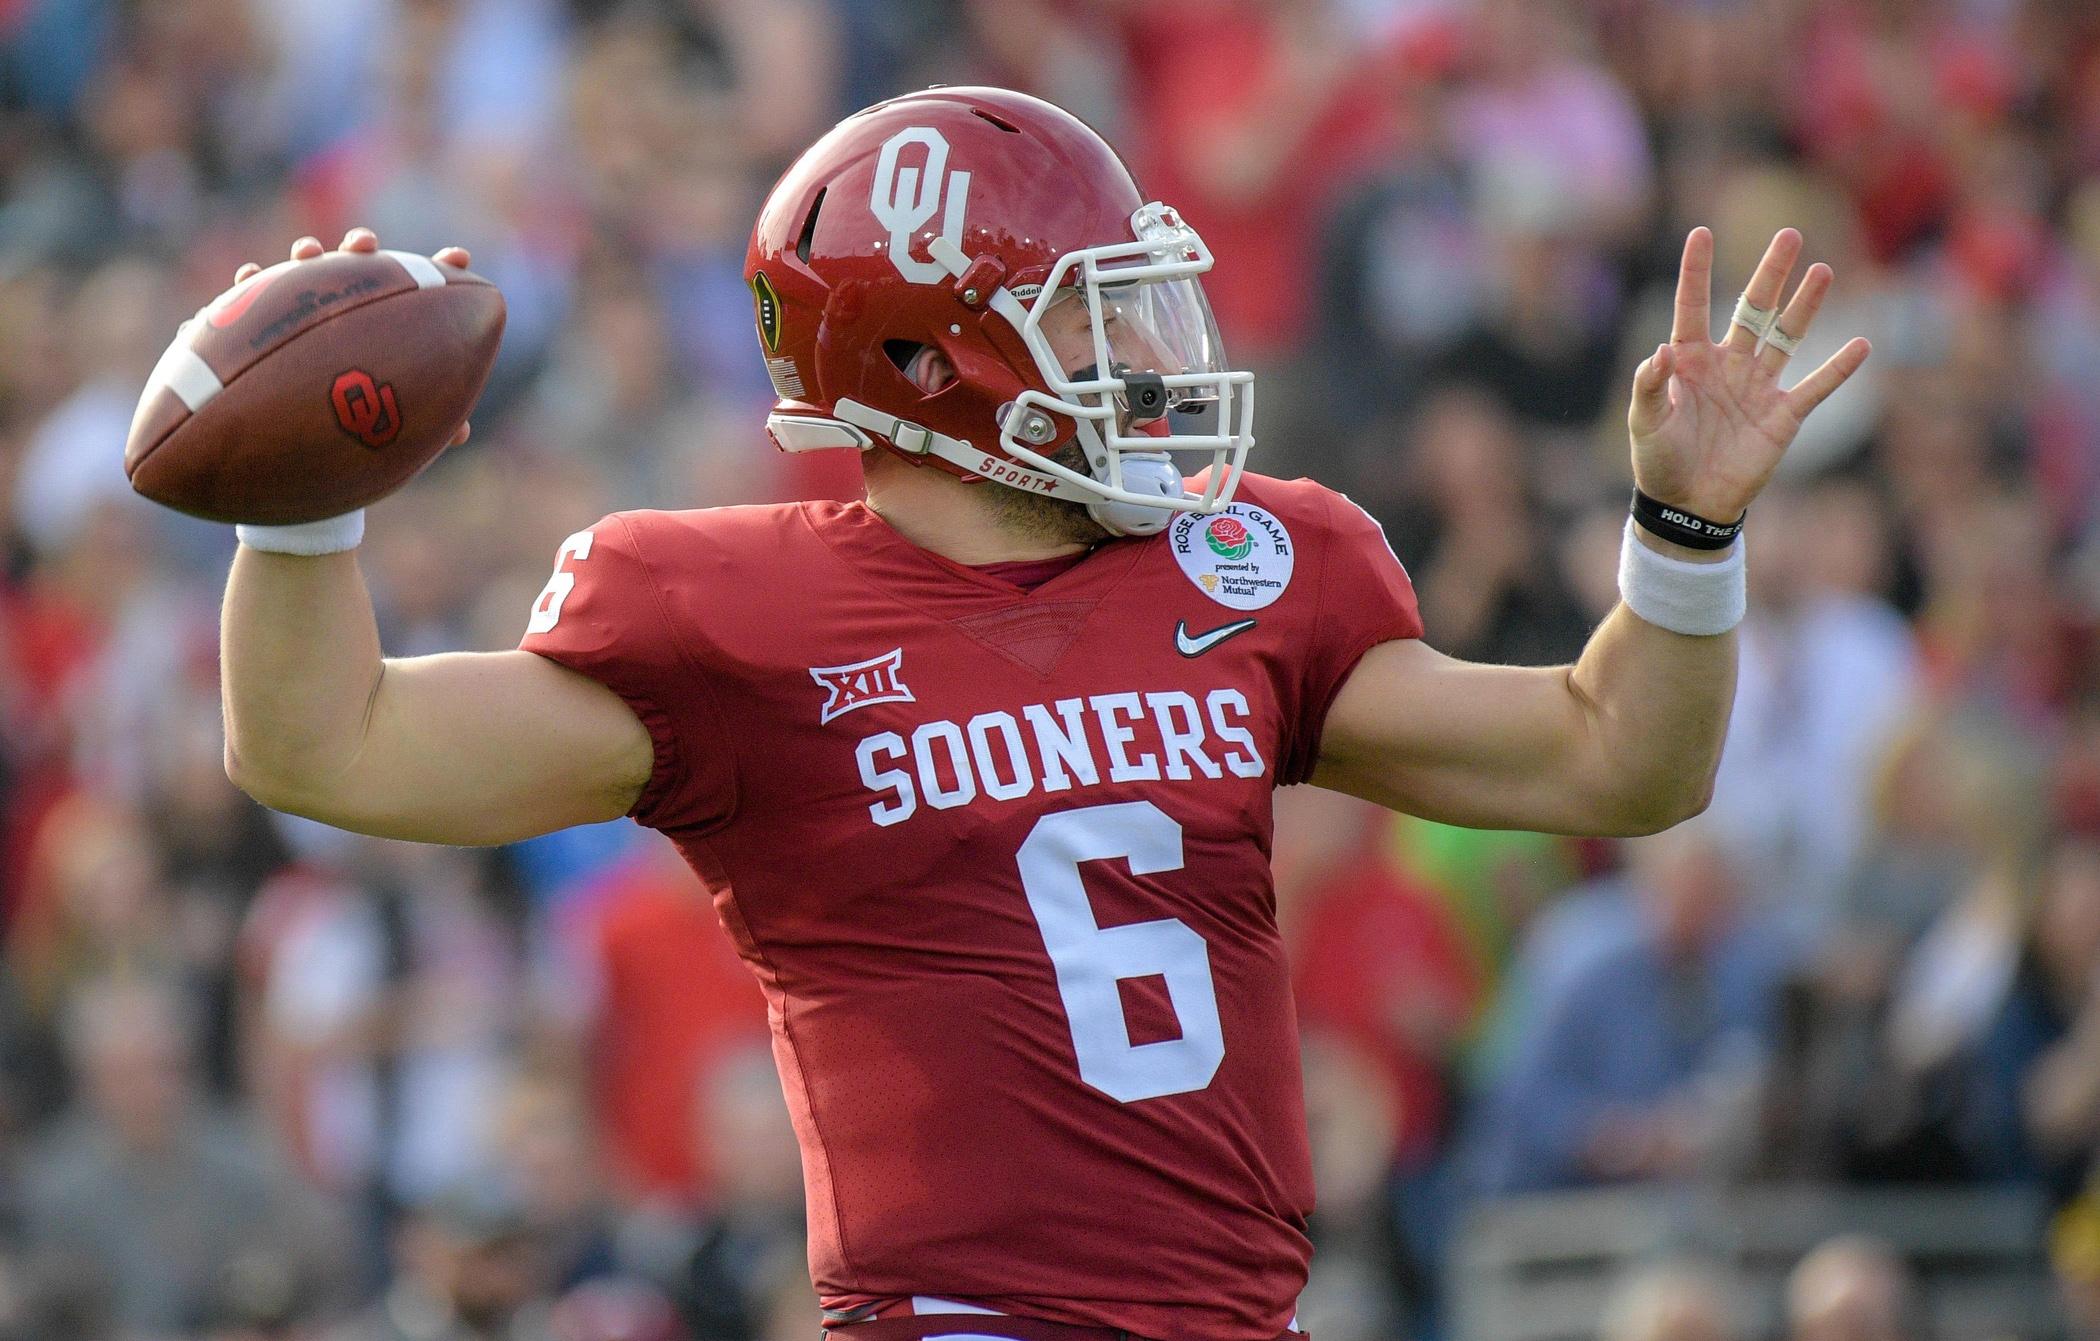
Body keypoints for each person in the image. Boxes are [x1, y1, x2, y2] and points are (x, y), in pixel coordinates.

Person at [196, 87, 1868, 1341]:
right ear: (928, 361)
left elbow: (1620, 758)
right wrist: (300, 509)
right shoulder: (736, 617)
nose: (1143, 344)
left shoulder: (1250, 565)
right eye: (1089, 306)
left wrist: (1685, 533)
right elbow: (323, 743)